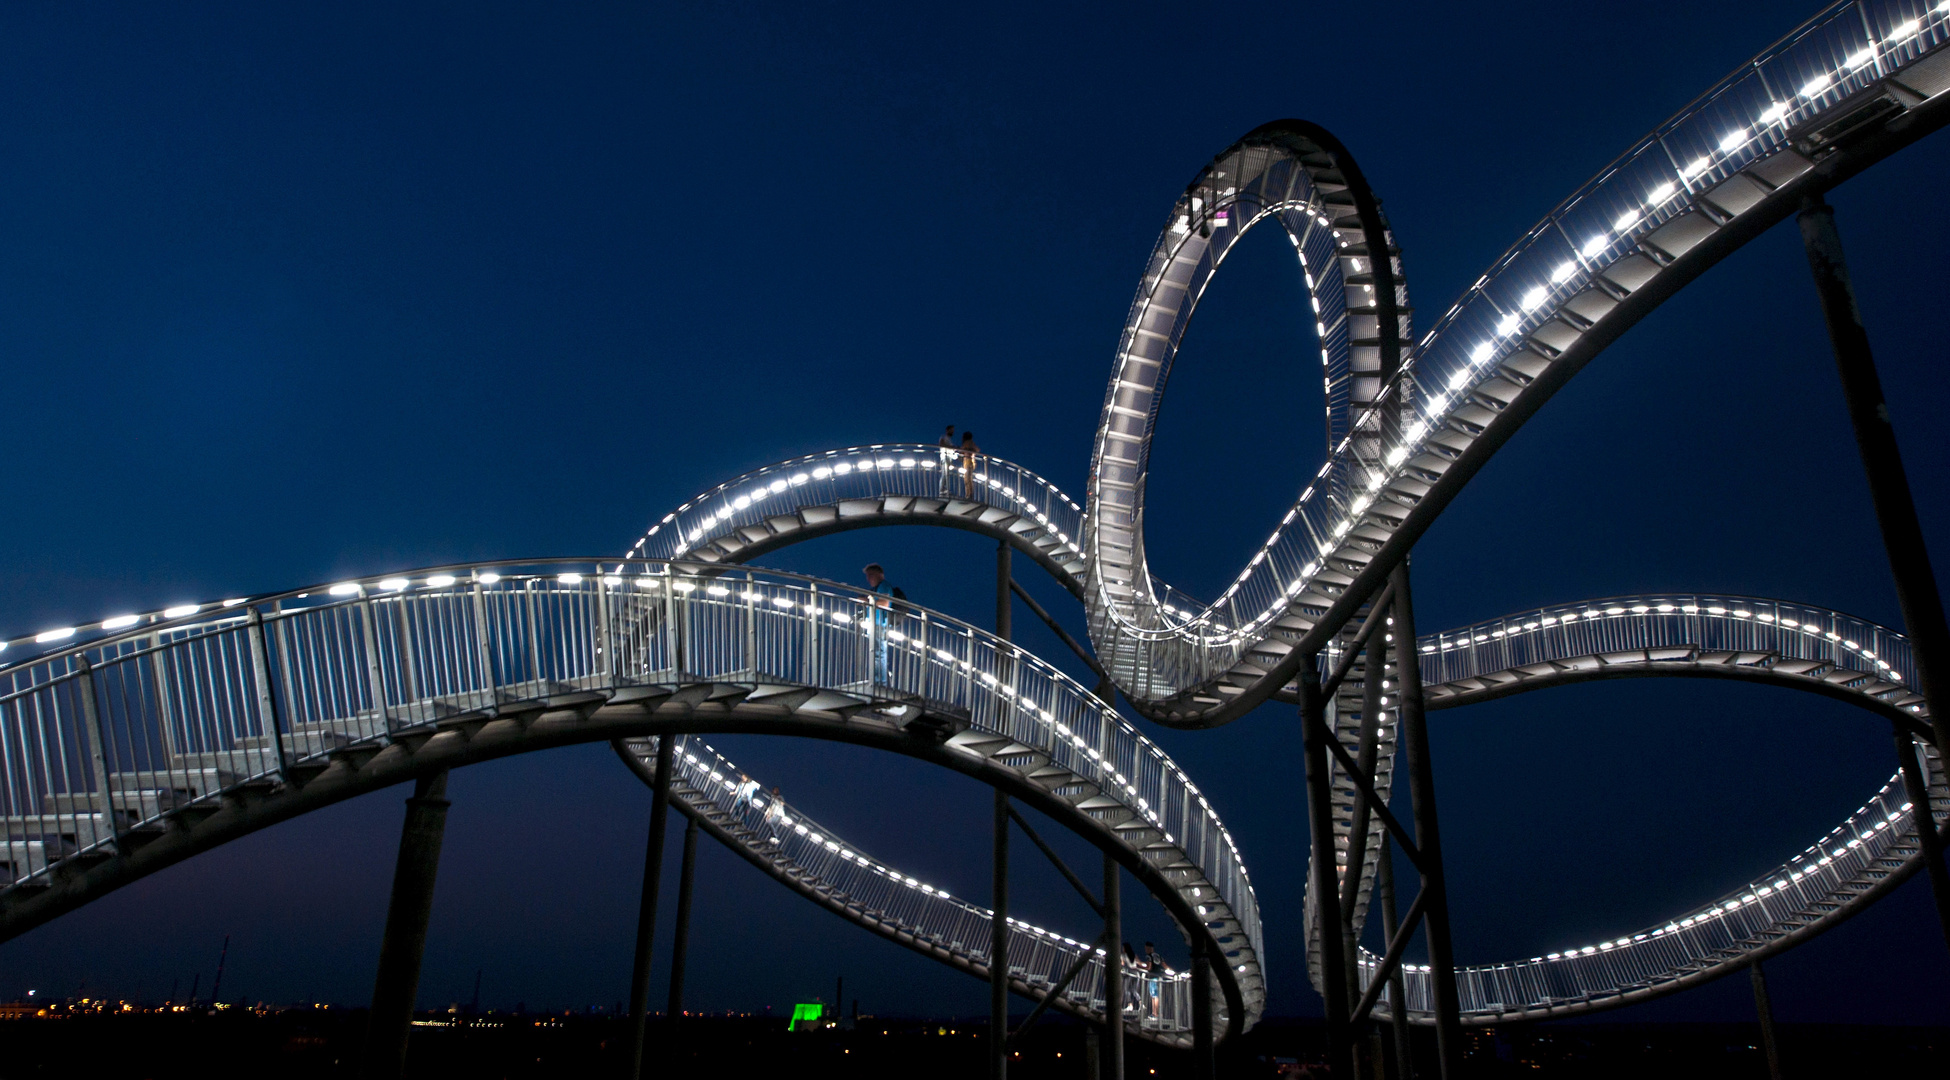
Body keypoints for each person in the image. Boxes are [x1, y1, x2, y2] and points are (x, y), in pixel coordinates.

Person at [863, 563, 896, 685]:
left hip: (879, 625)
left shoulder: (884, 586)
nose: (868, 579)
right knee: (876, 654)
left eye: (871, 575)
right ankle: (877, 681)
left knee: (879, 655)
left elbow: (885, 603)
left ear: (879, 575)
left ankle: (880, 683)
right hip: (875, 625)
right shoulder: (877, 588)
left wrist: (867, 600)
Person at [1143, 942, 1167, 1020]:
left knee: (1154, 996)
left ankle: (1155, 1014)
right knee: (1157, 996)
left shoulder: (1149, 957)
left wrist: (1142, 968)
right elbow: (1164, 966)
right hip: (1160, 977)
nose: (1145, 950)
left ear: (1149, 948)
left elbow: (1149, 968)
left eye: (1146, 948)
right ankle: (1158, 1014)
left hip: (1153, 977)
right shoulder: (1159, 956)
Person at [959, 430, 981, 499]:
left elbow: (976, 449)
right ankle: (968, 494)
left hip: (968, 461)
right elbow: (977, 449)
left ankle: (969, 494)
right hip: (969, 461)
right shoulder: (970, 443)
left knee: (968, 478)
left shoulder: (968, 442)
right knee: (968, 478)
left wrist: (967, 449)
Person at [936, 425, 957, 496]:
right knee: (945, 474)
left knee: (946, 474)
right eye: (951, 430)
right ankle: (943, 490)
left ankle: (944, 489)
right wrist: (951, 447)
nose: (953, 432)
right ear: (947, 430)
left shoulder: (949, 440)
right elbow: (941, 444)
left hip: (949, 458)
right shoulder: (943, 437)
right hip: (945, 457)